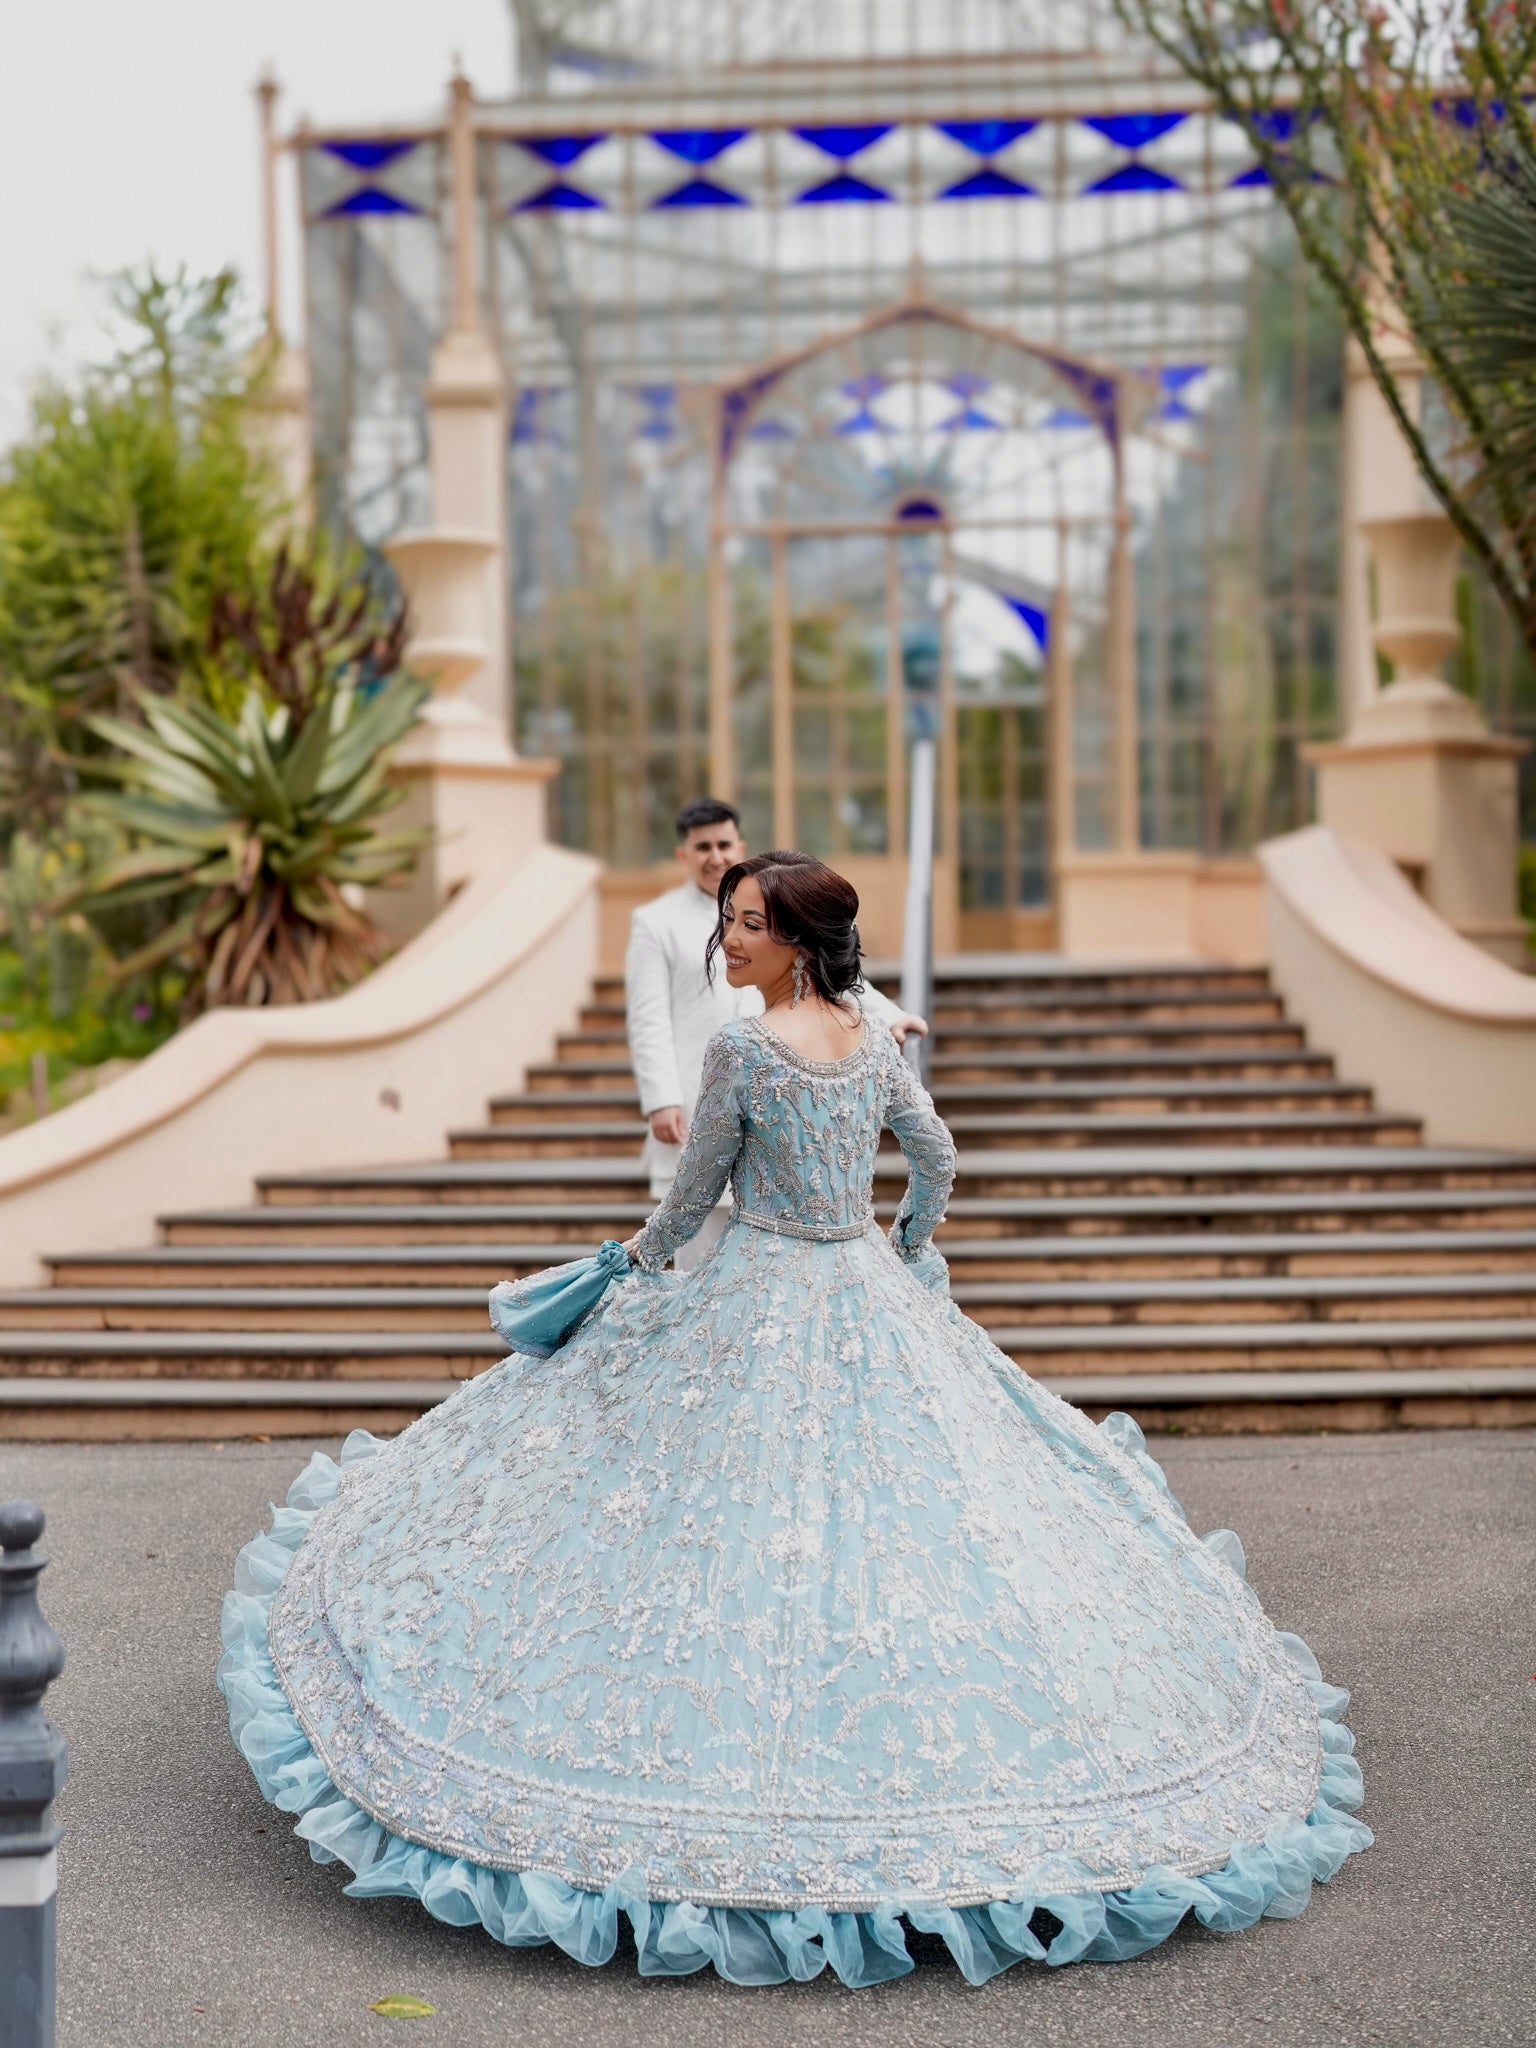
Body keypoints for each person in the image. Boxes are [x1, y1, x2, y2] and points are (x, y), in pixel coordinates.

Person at [219, 851, 1370, 1991]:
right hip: (859, 1279)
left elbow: (693, 1192)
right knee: (905, 1519)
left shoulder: (740, 1045)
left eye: (751, 923)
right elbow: (937, 1148)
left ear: (801, 940)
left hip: (760, 1277)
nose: (730, 939)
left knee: (699, 1515)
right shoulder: (872, 1033)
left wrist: (631, 1268)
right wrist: (910, 1240)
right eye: (728, 918)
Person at [626, 798, 924, 1270]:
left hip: (777, 1112)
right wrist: (661, 1098)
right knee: (700, 1266)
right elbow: (647, 1018)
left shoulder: (779, 905)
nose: (715, 856)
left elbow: (826, 973)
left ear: (739, 846)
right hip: (696, 1099)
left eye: (724, 844)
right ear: (683, 854)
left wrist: (890, 1016)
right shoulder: (655, 923)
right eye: (702, 847)